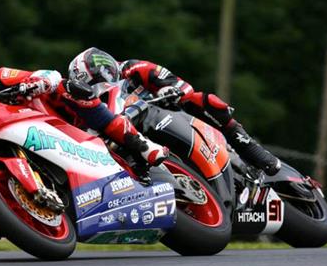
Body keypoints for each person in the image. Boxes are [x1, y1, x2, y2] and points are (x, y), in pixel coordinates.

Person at [0, 50, 169, 239]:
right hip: (9, 145)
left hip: (54, 118)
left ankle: (140, 144)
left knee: (73, 91)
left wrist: (37, 81)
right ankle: (39, 207)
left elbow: (26, 75)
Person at [68, 47, 281, 176]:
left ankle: (252, 149)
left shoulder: (133, 69)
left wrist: (170, 90)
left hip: (166, 113)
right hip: (134, 137)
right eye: (93, 82)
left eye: (103, 73)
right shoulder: (90, 107)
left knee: (201, 100)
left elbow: (180, 85)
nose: (101, 81)